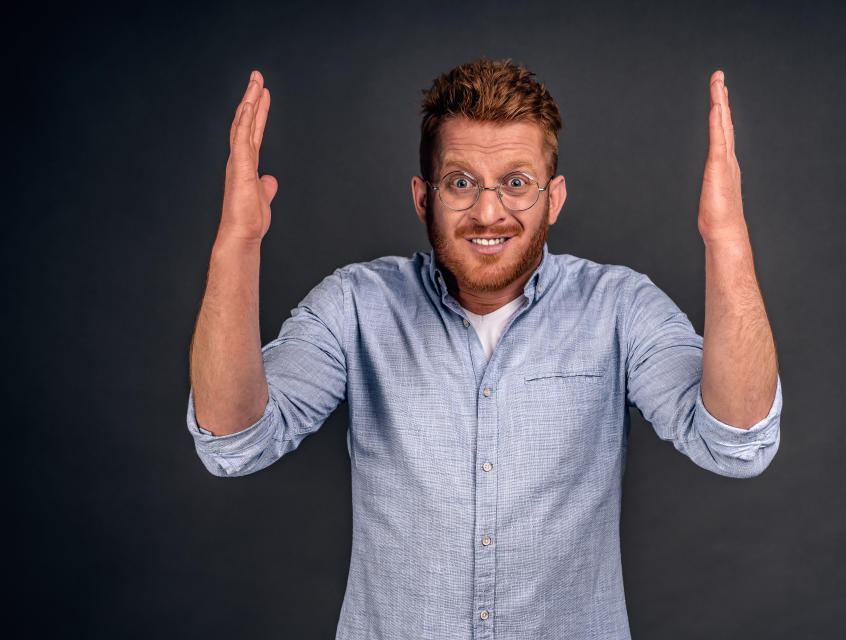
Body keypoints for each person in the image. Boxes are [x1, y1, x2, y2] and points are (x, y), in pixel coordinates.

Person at [186, 59, 782, 639]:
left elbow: (736, 442)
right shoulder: (356, 306)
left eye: (517, 183)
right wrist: (237, 243)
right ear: (424, 197)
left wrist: (725, 239)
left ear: (554, 198)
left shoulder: (619, 306)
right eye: (461, 182)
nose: (489, 211)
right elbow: (235, 442)